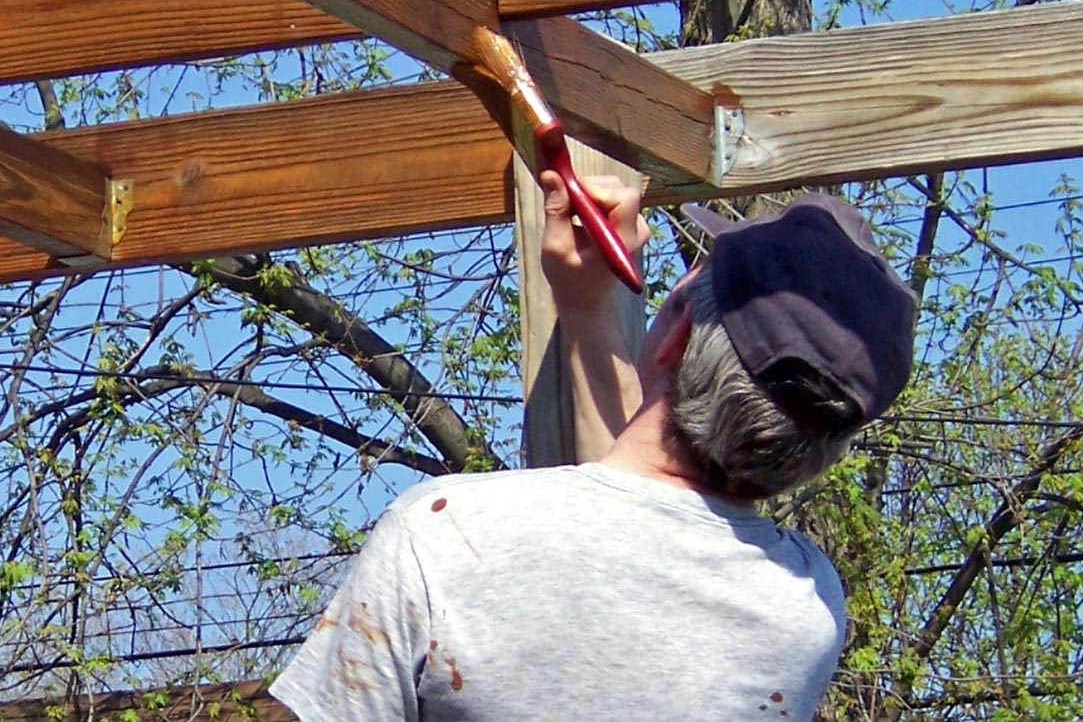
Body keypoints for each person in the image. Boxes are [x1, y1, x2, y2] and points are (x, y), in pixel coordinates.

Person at [268, 173, 917, 721]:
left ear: (677, 337)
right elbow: (635, 532)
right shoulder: (805, 607)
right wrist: (587, 310)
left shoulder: (443, 537)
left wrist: (587, 305)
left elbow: (617, 524)